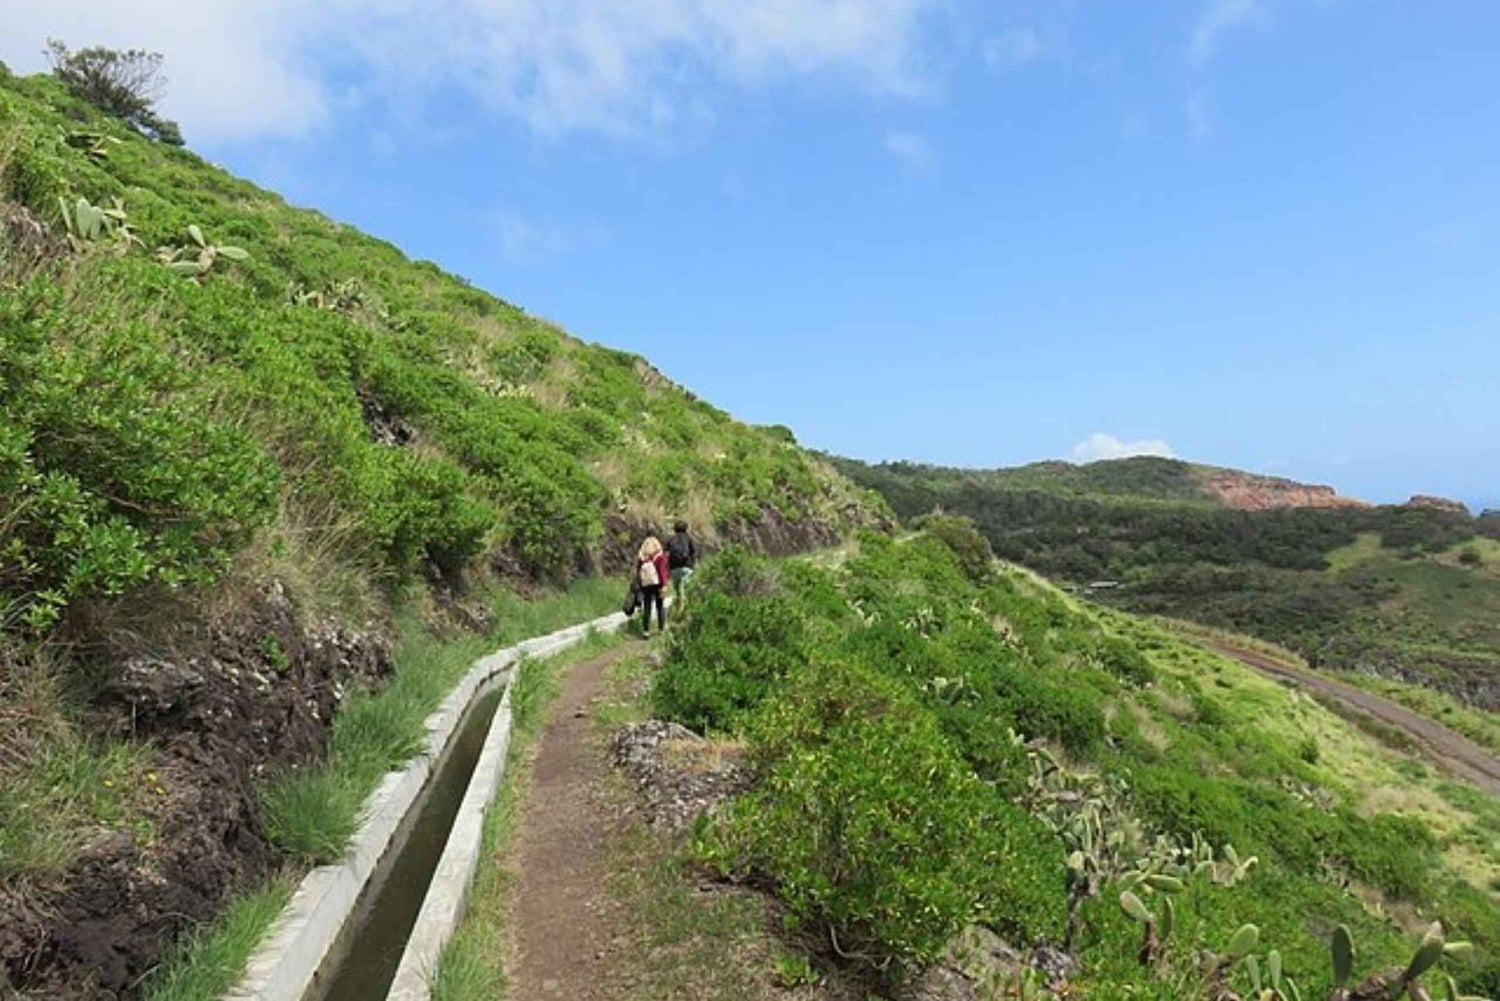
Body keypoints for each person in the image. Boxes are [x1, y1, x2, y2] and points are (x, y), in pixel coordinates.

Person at [635, 536, 669, 638]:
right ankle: (661, 629)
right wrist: (664, 585)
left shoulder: (641, 558)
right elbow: (662, 572)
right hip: (657, 584)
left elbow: (638, 572)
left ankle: (646, 631)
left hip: (646, 585)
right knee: (660, 606)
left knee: (647, 607)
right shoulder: (660, 557)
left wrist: (640, 583)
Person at [666, 519, 697, 603]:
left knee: (677, 592)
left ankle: (678, 607)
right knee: (686, 590)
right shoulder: (688, 538)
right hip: (686, 566)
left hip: (674, 568)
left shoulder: (671, 539)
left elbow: (667, 553)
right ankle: (685, 610)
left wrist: (667, 568)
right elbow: (693, 552)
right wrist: (693, 565)